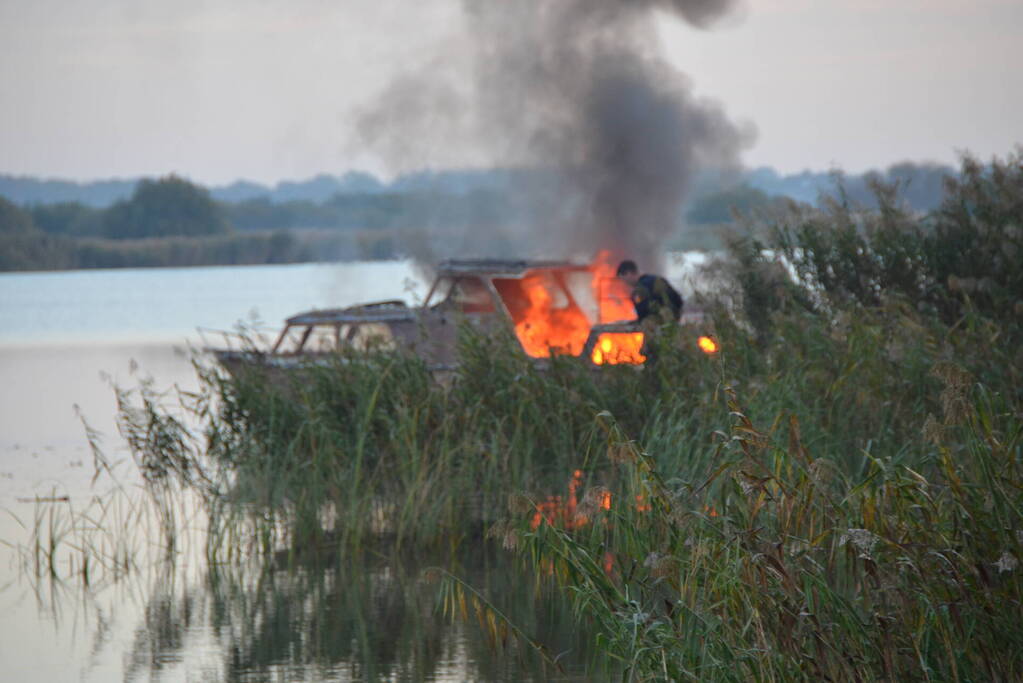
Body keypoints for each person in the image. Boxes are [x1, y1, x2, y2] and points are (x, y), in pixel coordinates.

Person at [615, 260, 683, 324]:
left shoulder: (639, 290)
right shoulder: (657, 280)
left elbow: (642, 313)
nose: (625, 283)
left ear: (628, 273)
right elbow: (678, 300)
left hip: (656, 327)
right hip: (672, 325)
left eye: (623, 279)